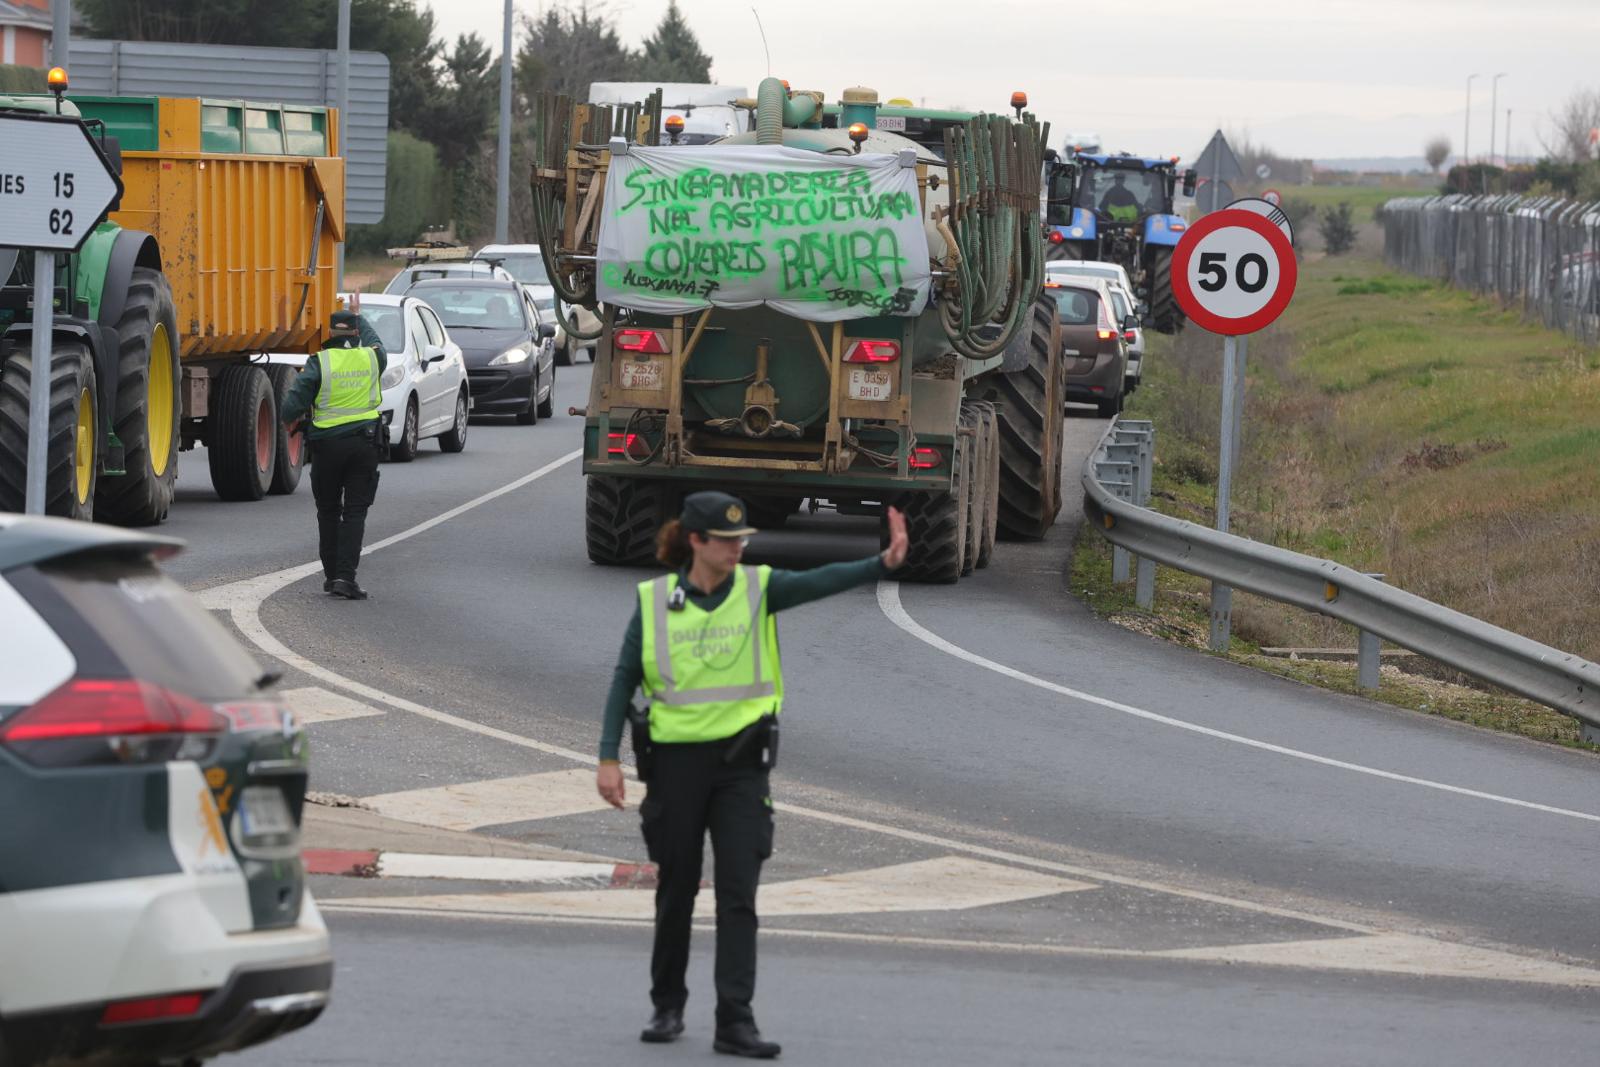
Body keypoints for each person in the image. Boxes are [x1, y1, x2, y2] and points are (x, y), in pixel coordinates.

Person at [596, 491, 909, 1058]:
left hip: (742, 769)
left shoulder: (758, 588)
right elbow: (624, 677)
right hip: (675, 768)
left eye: (744, 540)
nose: (740, 548)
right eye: (728, 540)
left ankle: (734, 1021)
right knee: (677, 891)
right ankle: (667, 1006)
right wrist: (607, 759)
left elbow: (821, 581)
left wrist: (879, 564)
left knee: (739, 894)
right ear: (696, 541)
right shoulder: (656, 600)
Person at [279, 309, 387, 600]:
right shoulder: (371, 357)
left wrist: (292, 418)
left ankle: (330, 577)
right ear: (355, 333)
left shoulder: (319, 362)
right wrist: (360, 317)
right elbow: (376, 341)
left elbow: (291, 405)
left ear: (330, 334)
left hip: (326, 447)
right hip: (364, 446)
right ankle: (345, 577)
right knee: (354, 512)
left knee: (328, 511)